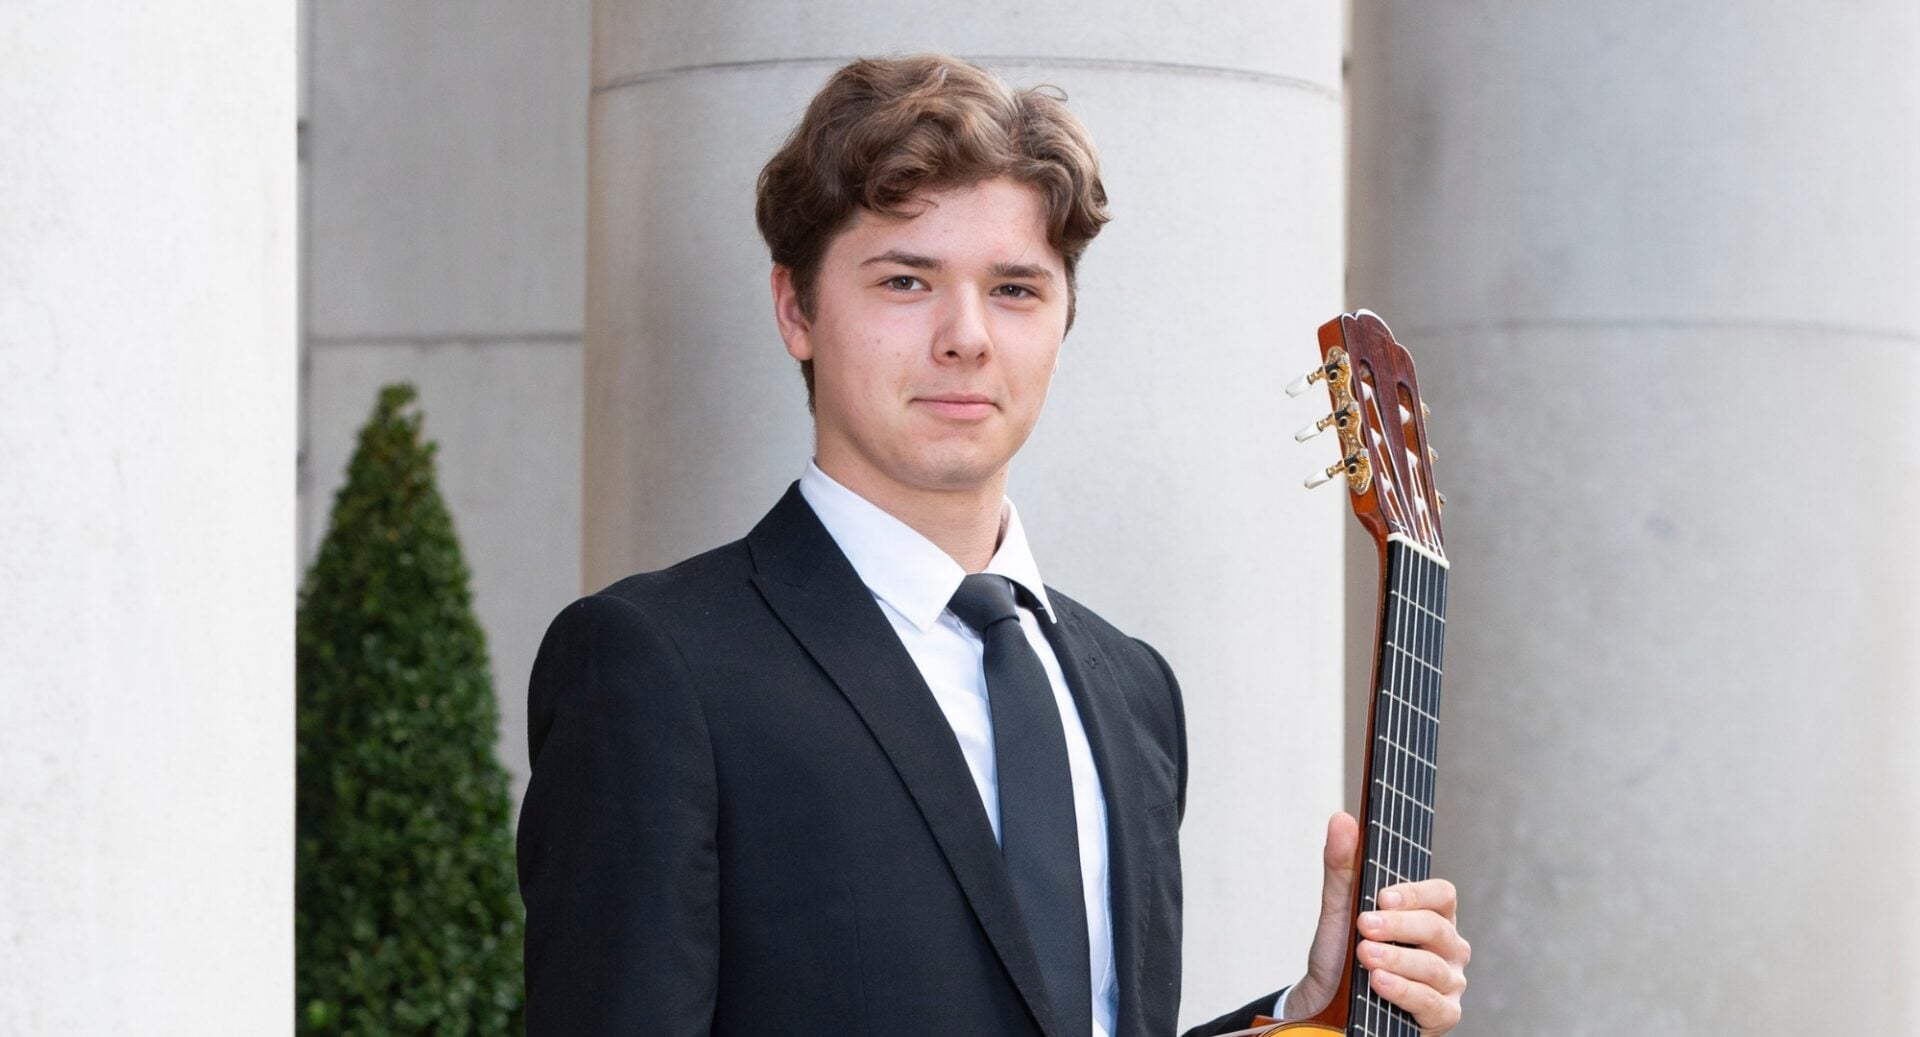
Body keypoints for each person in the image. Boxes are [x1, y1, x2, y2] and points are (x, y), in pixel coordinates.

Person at [516, 54, 1469, 1037]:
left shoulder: (1134, 691)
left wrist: (1303, 1014)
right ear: (797, 309)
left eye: (1015, 288)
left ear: (1062, 321)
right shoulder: (653, 666)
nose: (966, 336)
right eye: (905, 280)